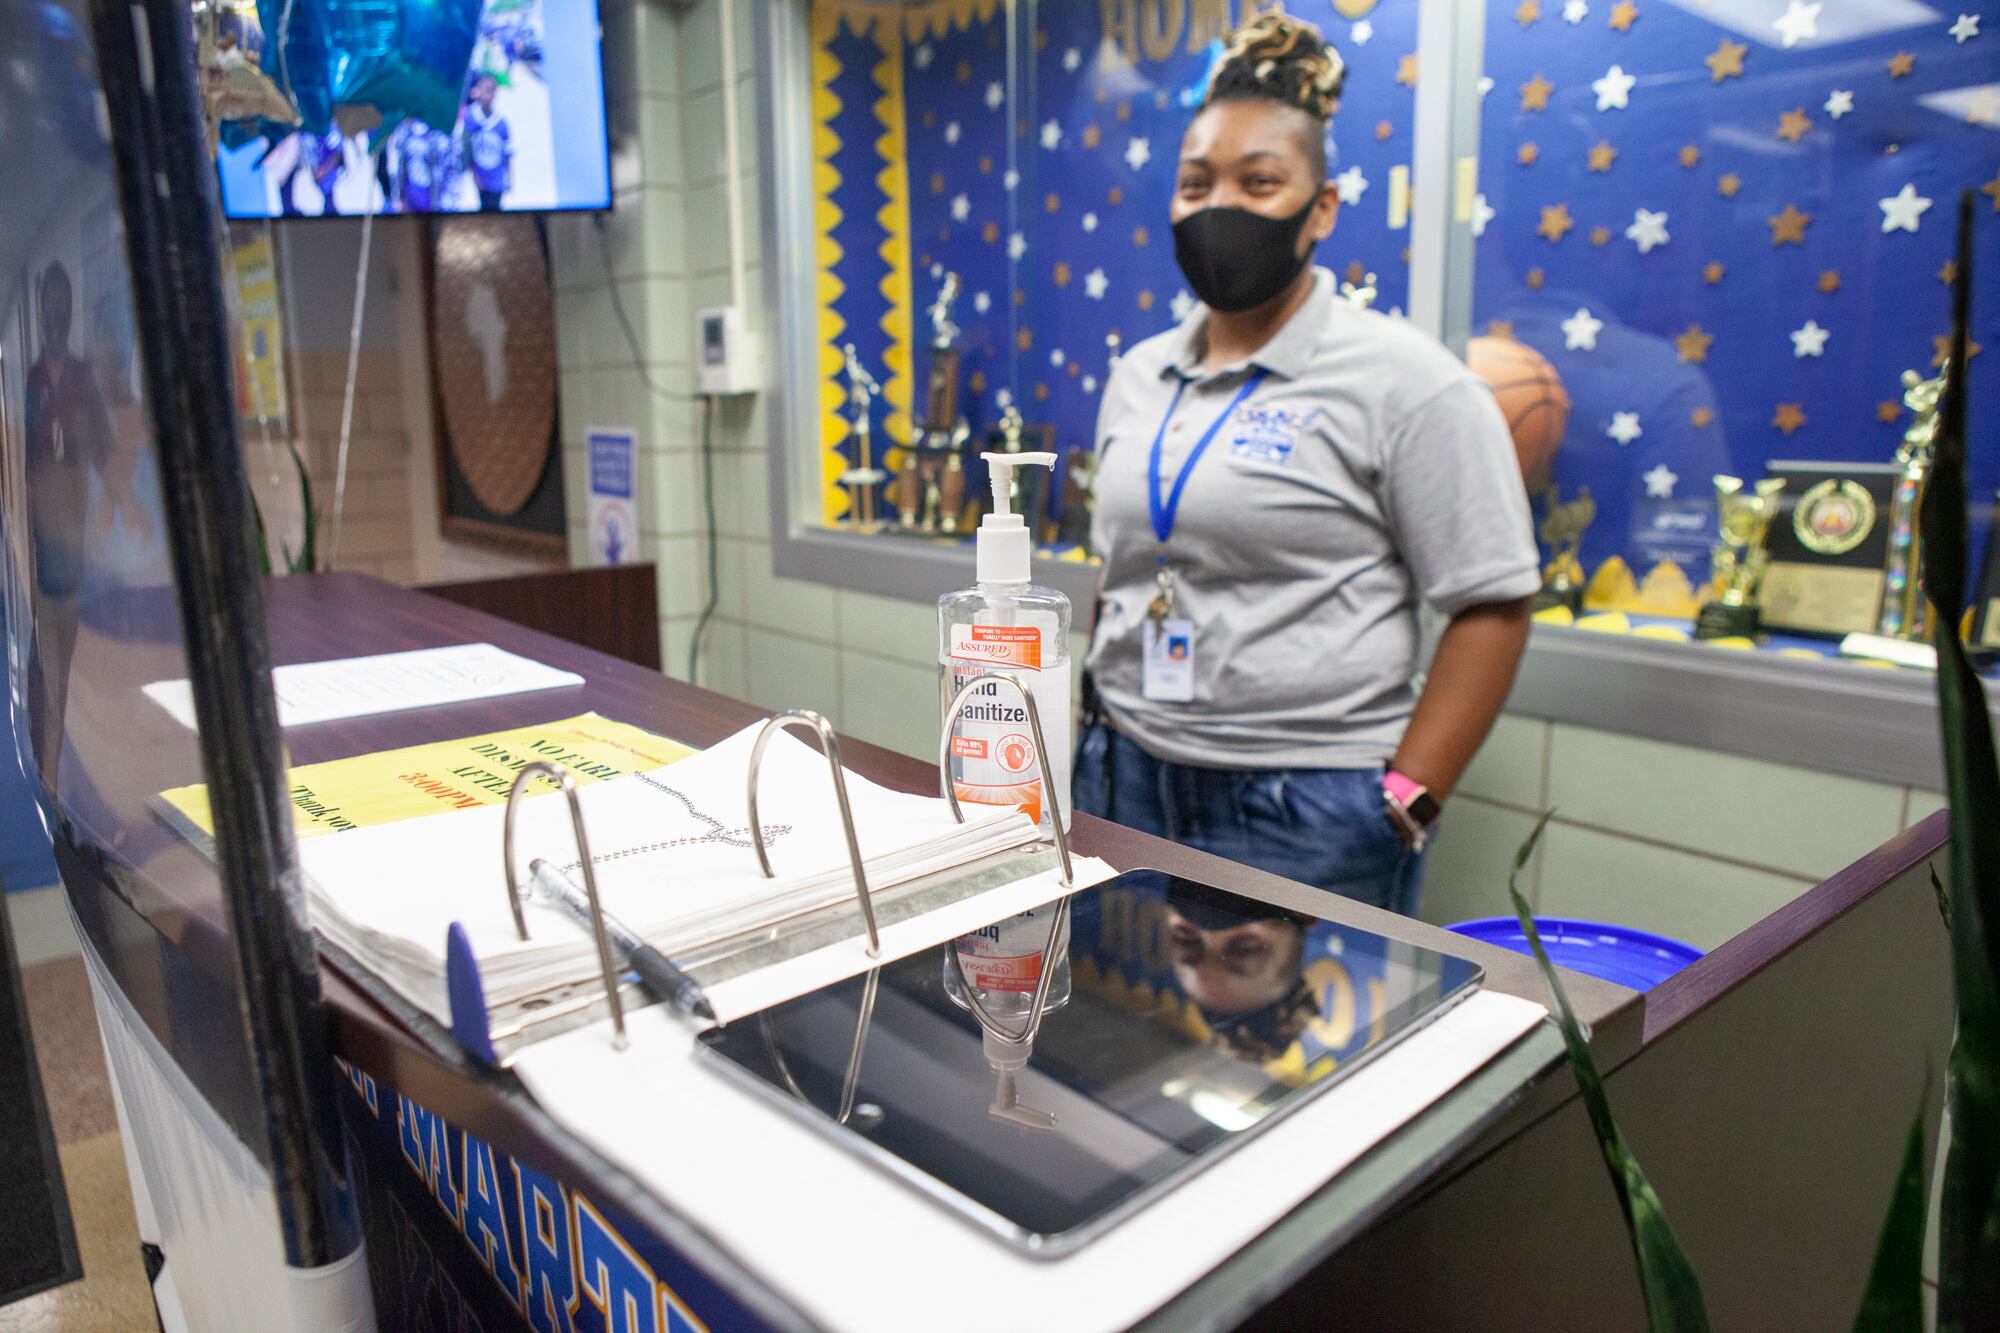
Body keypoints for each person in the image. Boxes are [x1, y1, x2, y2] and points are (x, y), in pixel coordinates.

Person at [1075, 13, 1539, 918]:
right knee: (1109, 1009)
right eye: (1196, 183)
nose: (1220, 207)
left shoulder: (1409, 382)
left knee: (1302, 1020)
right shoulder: (1139, 374)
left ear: (1320, 207)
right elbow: (1124, 566)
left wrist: (1404, 803)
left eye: (1259, 182)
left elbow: (1493, 603)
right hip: (1123, 775)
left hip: (1304, 806)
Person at [462, 74, 512, 212]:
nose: (487, 94)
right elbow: (467, 149)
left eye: (490, 90)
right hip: (480, 179)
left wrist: (509, 178)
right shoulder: (470, 118)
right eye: (484, 89)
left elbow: (508, 153)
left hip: (497, 180)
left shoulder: (502, 124)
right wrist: (474, 174)